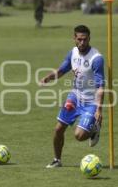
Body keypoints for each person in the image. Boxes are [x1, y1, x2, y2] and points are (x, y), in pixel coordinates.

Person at [40, 25, 105, 168]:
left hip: (91, 102)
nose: (82, 43)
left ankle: (94, 128)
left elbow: (100, 86)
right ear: (74, 38)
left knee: (79, 136)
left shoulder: (96, 58)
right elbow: (62, 70)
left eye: (85, 39)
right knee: (58, 129)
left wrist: (98, 109)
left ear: (89, 38)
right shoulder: (73, 53)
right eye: (79, 39)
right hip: (75, 97)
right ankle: (57, 160)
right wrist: (49, 78)